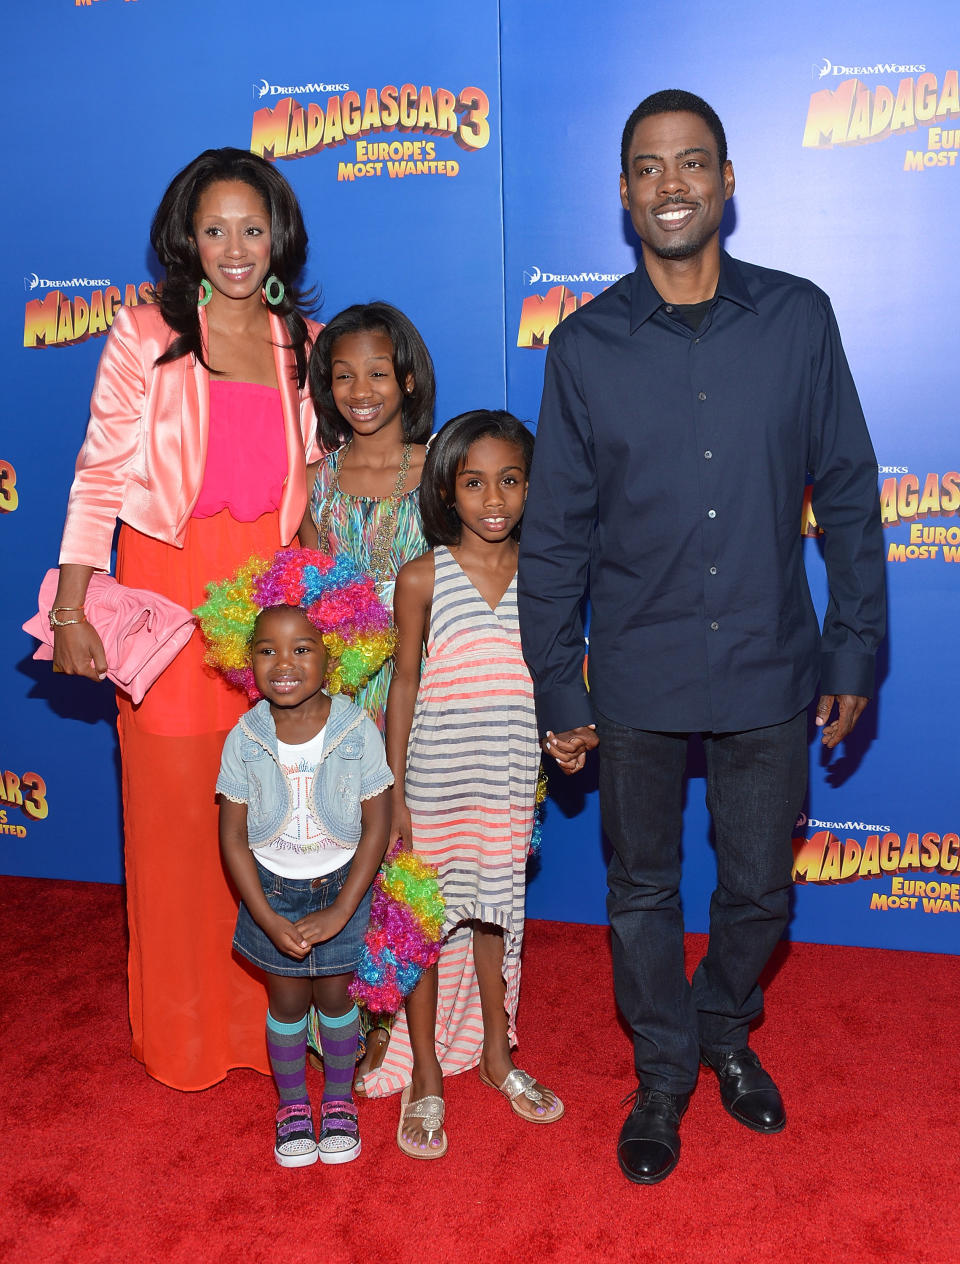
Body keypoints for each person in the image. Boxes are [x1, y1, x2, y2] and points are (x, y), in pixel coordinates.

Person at [517, 90, 885, 1184]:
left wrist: (853, 647)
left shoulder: (800, 318)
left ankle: (725, 1025)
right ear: (625, 194)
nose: (670, 184)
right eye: (647, 167)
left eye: (691, 163)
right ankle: (666, 1070)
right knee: (640, 889)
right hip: (635, 668)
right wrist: (558, 684)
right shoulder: (582, 346)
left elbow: (854, 496)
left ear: (729, 182)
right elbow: (556, 537)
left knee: (762, 886)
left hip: (774, 660)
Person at [52, 147, 322, 1090]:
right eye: (216, 229)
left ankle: (268, 1032)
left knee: (270, 828)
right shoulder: (146, 333)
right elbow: (100, 473)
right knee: (173, 828)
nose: (236, 248)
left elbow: (318, 489)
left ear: (278, 235)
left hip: (269, 615)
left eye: (254, 228)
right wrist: (75, 604)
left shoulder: (309, 344)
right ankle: (184, 1037)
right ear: (188, 239)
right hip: (167, 600)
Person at [362, 409, 564, 1158]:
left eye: (510, 481)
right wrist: (395, 789)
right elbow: (403, 682)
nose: (493, 500)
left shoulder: (546, 573)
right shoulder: (421, 577)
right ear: (446, 491)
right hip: (433, 782)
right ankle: (425, 1079)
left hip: (508, 779)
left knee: (494, 922)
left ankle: (496, 1056)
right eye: (473, 482)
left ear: (532, 488)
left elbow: (557, 672)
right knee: (421, 928)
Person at [196, 547, 394, 1165]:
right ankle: (290, 1105)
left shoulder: (357, 728)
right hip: (273, 892)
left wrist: (340, 911)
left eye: (302, 648)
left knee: (336, 1000)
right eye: (267, 649)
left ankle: (337, 1099)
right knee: (286, 1003)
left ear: (334, 652)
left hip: (343, 888)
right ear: (244, 656)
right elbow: (232, 838)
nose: (284, 663)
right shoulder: (245, 738)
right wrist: (265, 915)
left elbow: (377, 822)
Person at [300, 300, 434, 1075]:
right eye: (343, 375)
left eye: (377, 373)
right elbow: (308, 593)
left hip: (426, 688)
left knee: (406, 848)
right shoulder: (318, 484)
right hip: (345, 699)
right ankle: (342, 1004)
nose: (361, 389)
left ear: (407, 379)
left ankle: (395, 1003)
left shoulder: (439, 469)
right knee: (342, 847)